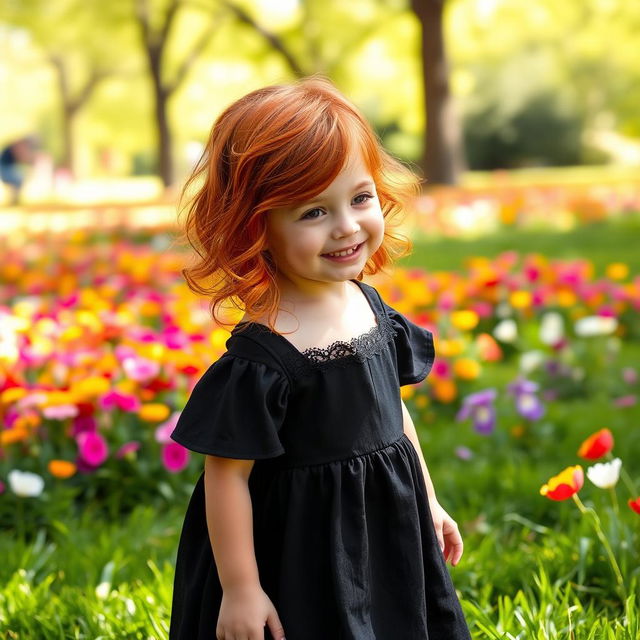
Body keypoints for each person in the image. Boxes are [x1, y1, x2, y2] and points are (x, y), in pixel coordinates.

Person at [169, 77, 473, 640]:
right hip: (297, 550)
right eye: (312, 212)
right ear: (255, 225)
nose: (347, 226)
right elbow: (226, 477)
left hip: (384, 526)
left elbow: (393, 419)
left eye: (360, 198)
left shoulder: (370, 307)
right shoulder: (264, 356)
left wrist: (427, 502)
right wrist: (241, 586)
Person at [0, 137, 36, 204]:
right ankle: (14, 200)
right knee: (18, 179)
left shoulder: (14, 146)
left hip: (5, 168)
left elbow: (21, 158)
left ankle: (14, 199)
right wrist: (30, 160)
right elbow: (21, 157)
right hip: (3, 168)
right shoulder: (15, 147)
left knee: (18, 179)